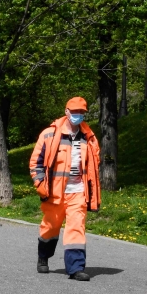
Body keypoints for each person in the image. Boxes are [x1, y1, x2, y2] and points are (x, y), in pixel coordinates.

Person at [28, 97, 101, 281]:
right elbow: (35, 163)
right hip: (54, 192)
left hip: (78, 191)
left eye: (81, 113)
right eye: (74, 112)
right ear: (66, 111)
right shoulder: (49, 134)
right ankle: (43, 257)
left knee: (76, 228)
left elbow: (94, 164)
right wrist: (40, 185)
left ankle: (76, 268)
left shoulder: (89, 137)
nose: (78, 115)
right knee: (50, 227)